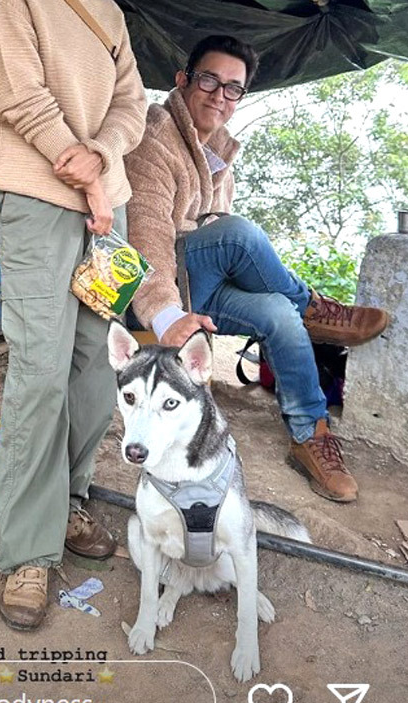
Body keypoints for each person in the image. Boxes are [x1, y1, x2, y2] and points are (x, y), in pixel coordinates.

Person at [0, 0, 147, 629]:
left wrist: (103, 157)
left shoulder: (111, 13)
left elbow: (134, 107)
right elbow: (16, 87)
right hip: (38, 196)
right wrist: (73, 162)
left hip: (102, 209)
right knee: (40, 368)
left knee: (91, 371)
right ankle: (26, 550)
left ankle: (70, 500)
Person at [125, 36, 389, 503]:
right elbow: (147, 239)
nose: (219, 96)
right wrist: (163, 314)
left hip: (201, 286)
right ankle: (314, 307)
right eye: (209, 80)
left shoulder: (219, 153)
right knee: (240, 234)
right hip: (159, 290)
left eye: (233, 88)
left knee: (277, 314)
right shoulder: (156, 135)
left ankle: (310, 435)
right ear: (183, 80)